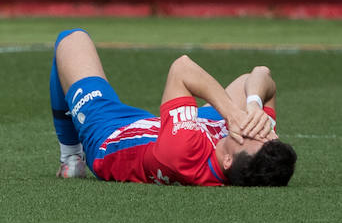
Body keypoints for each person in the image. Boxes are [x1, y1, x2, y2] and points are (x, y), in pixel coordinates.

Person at [49, 28, 296, 186]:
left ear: (229, 160)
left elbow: (182, 68)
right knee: (247, 86)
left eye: (252, 135)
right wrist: (253, 105)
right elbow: (260, 75)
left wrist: (232, 115)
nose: (256, 129)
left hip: (112, 136)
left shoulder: (183, 154)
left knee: (71, 39)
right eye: (265, 135)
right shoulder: (245, 149)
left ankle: (70, 157)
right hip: (182, 129)